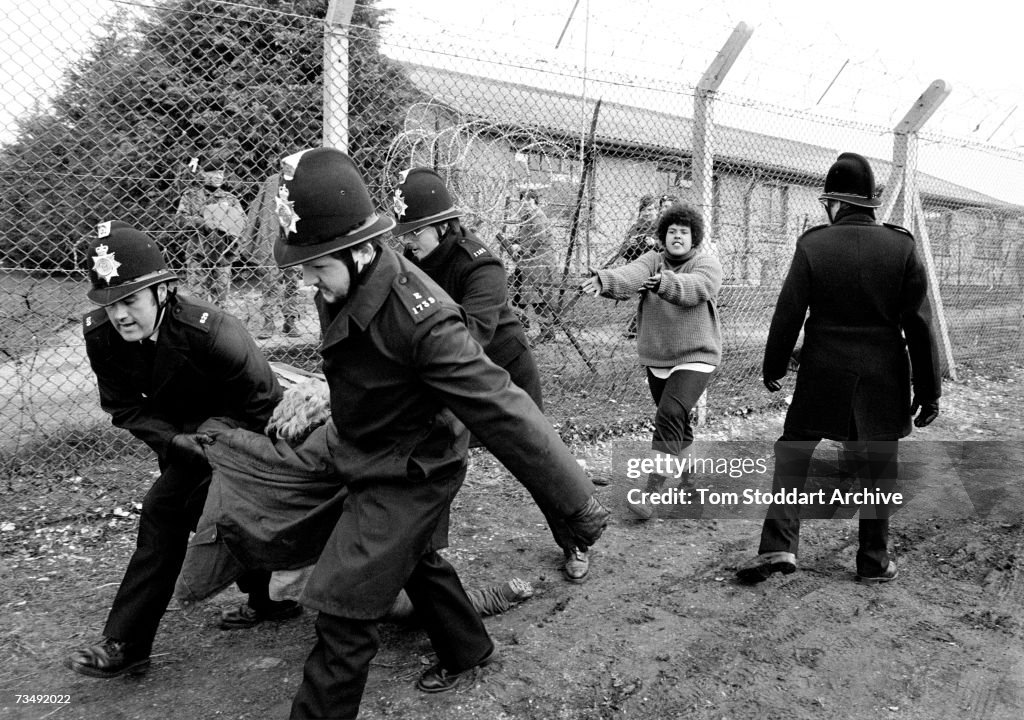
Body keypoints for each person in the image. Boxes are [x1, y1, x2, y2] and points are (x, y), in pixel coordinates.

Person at [271, 147, 608, 719]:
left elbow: (501, 407)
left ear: (358, 249)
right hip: (369, 446)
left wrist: (575, 505)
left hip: (413, 467)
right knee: (416, 558)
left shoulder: (424, 317)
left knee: (345, 608)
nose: (308, 278)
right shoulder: (345, 282)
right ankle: (468, 648)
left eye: (317, 264)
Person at [67, 221, 297, 680]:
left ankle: (129, 643)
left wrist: (214, 442)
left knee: (180, 512)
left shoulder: (213, 332)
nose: (120, 316)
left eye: (130, 300)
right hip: (181, 444)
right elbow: (124, 406)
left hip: (241, 440)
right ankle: (264, 601)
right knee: (196, 515)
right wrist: (173, 441)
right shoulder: (102, 337)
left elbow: (263, 404)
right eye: (110, 305)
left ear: (163, 291)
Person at [735, 152, 941, 585]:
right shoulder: (901, 245)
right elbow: (920, 325)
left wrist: (774, 364)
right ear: (869, 203)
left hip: (822, 372)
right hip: (883, 375)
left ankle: (779, 547)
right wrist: (928, 390)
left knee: (794, 453)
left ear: (832, 202)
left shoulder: (814, 244)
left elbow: (788, 312)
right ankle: (873, 561)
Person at [583, 202, 723, 520]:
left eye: (683, 232)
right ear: (663, 235)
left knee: (670, 413)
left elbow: (697, 288)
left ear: (694, 237)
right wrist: (606, 281)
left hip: (697, 354)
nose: (677, 236)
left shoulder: (707, 264)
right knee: (676, 421)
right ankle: (691, 486)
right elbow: (632, 275)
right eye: (672, 231)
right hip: (660, 355)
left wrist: (664, 283)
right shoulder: (652, 260)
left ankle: (651, 494)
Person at [392, 167, 542, 408]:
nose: (405, 241)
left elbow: (471, 337)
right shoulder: (413, 256)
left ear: (442, 226)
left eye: (414, 231)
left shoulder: (482, 267)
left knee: (520, 444)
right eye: (401, 233)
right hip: (452, 374)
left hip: (502, 374)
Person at [175, 155, 247, 306]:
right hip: (198, 254)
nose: (219, 176)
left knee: (221, 300)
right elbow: (180, 220)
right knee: (197, 300)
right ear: (203, 174)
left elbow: (242, 222)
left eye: (221, 172)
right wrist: (205, 223)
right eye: (214, 172)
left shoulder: (230, 198)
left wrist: (225, 225)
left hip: (223, 256)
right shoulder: (191, 196)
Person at [242, 172, 303, 338]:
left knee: (293, 280)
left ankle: (290, 320)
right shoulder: (272, 181)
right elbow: (258, 208)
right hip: (272, 234)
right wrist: (251, 233)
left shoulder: (303, 179)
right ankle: (268, 320)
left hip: (294, 236)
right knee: (270, 280)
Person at [605, 194, 660, 338]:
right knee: (648, 298)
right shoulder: (636, 228)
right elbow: (623, 252)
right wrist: (631, 245)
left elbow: (668, 247)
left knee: (651, 298)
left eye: (651, 209)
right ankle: (636, 329)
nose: (648, 213)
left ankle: (635, 328)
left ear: (657, 210)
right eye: (645, 210)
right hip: (639, 267)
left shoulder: (663, 226)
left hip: (658, 266)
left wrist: (654, 243)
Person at [508, 189, 558, 336]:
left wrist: (522, 248)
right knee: (519, 295)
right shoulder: (528, 216)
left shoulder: (536, 215)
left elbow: (540, 237)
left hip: (538, 263)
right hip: (529, 263)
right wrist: (514, 240)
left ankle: (546, 332)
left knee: (538, 299)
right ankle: (521, 328)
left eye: (523, 201)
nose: (521, 205)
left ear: (531, 200)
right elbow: (527, 236)